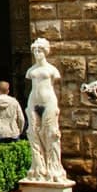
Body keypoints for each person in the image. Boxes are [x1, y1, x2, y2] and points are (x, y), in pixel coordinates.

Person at [25, 38, 67, 183]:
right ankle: (38, 166)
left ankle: (53, 167)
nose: (37, 53)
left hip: (48, 101)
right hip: (34, 101)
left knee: (51, 133)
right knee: (33, 132)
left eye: (40, 50)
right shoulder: (31, 70)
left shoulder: (51, 70)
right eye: (35, 51)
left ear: (45, 52)